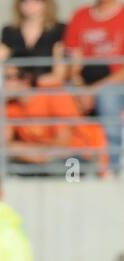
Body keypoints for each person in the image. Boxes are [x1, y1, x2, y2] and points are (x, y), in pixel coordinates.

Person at [64, 0, 124, 173]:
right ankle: (72, 168)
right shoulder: (81, 15)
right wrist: (80, 87)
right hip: (84, 84)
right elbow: (73, 63)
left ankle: (111, 166)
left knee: (107, 98)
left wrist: (93, 91)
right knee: (62, 97)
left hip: (114, 85)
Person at [0, 0, 66, 86]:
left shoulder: (59, 30)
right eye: (25, 1)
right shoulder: (9, 31)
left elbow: (60, 74)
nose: (30, 5)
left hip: (46, 89)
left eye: (36, 1)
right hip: (14, 87)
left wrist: (31, 83)